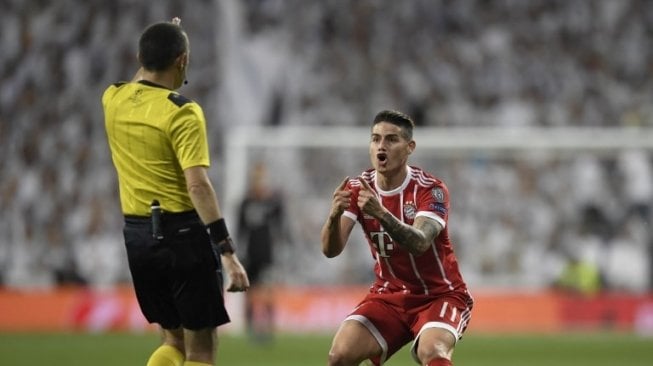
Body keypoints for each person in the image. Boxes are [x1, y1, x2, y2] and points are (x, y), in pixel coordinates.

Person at [102, 17, 249, 366]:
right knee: (201, 351)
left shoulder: (113, 98)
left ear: (141, 57)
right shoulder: (183, 112)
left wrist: (161, 38)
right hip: (182, 237)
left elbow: (140, 80)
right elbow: (197, 183)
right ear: (182, 59)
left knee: (172, 340)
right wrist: (226, 251)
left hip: (137, 237)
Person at [320, 110, 473, 366]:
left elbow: (420, 242)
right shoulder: (358, 188)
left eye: (391, 139)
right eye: (376, 139)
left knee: (433, 352)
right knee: (339, 356)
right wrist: (334, 216)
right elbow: (330, 250)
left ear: (409, 147)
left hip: (439, 294)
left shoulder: (431, 189)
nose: (382, 146)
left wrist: (380, 213)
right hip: (389, 294)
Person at [237, 161, 290, 343]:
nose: (260, 181)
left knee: (268, 291)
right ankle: (250, 329)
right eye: (257, 177)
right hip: (250, 254)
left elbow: (281, 224)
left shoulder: (273, 202)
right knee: (250, 292)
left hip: (266, 253)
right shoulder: (245, 202)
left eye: (262, 178)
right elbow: (240, 230)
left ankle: (268, 329)